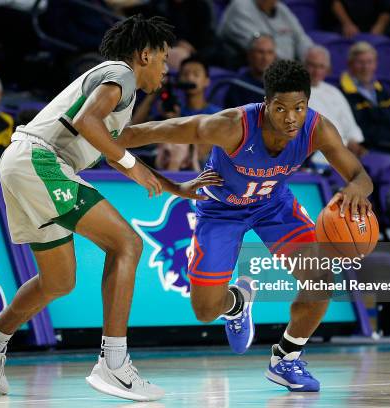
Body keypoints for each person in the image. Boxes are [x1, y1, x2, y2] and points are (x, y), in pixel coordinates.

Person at [0, 15, 220, 402]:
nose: (167, 69)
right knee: (127, 245)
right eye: (163, 59)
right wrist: (134, 166)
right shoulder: (121, 74)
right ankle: (113, 363)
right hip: (41, 162)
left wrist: (174, 187)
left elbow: (112, 149)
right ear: (144, 55)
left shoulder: (117, 92)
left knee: (58, 281)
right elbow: (88, 123)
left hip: (23, 163)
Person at [117, 60, 373, 392]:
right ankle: (236, 303)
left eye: (299, 107)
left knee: (322, 278)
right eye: (281, 108)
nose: (290, 117)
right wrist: (100, 135)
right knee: (206, 311)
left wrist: (354, 189)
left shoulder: (317, 129)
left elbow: (361, 176)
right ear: (266, 104)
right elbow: (154, 131)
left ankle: (286, 358)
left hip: (273, 206)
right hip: (221, 210)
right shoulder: (230, 126)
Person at [133, 55, 221, 171]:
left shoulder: (216, 114)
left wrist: (175, 121)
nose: (190, 77)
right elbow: (133, 128)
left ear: (206, 81)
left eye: (196, 74)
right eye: (185, 74)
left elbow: (200, 152)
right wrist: (155, 93)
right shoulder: (172, 108)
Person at [340, 41, 390, 159]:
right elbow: (364, 130)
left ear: (376, 64)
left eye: (370, 62)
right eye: (360, 62)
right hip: (373, 150)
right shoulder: (343, 94)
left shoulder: (382, 91)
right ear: (350, 64)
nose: (366, 67)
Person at [305, 45, 366, 158]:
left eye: (321, 66)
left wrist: (354, 141)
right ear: (303, 66)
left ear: (327, 70)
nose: (316, 71)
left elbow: (350, 124)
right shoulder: (293, 93)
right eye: (312, 65)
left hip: (347, 150)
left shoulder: (334, 92)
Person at [218, 0, 313, 61]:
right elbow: (261, 45)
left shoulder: (281, 9)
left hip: (287, 71)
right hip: (254, 73)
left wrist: (311, 56)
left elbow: (300, 36)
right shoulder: (240, 6)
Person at [224, 34, 277, 108]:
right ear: (250, 55)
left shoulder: (282, 84)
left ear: (275, 56)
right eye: (260, 52)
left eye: (270, 52)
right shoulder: (239, 86)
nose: (265, 58)